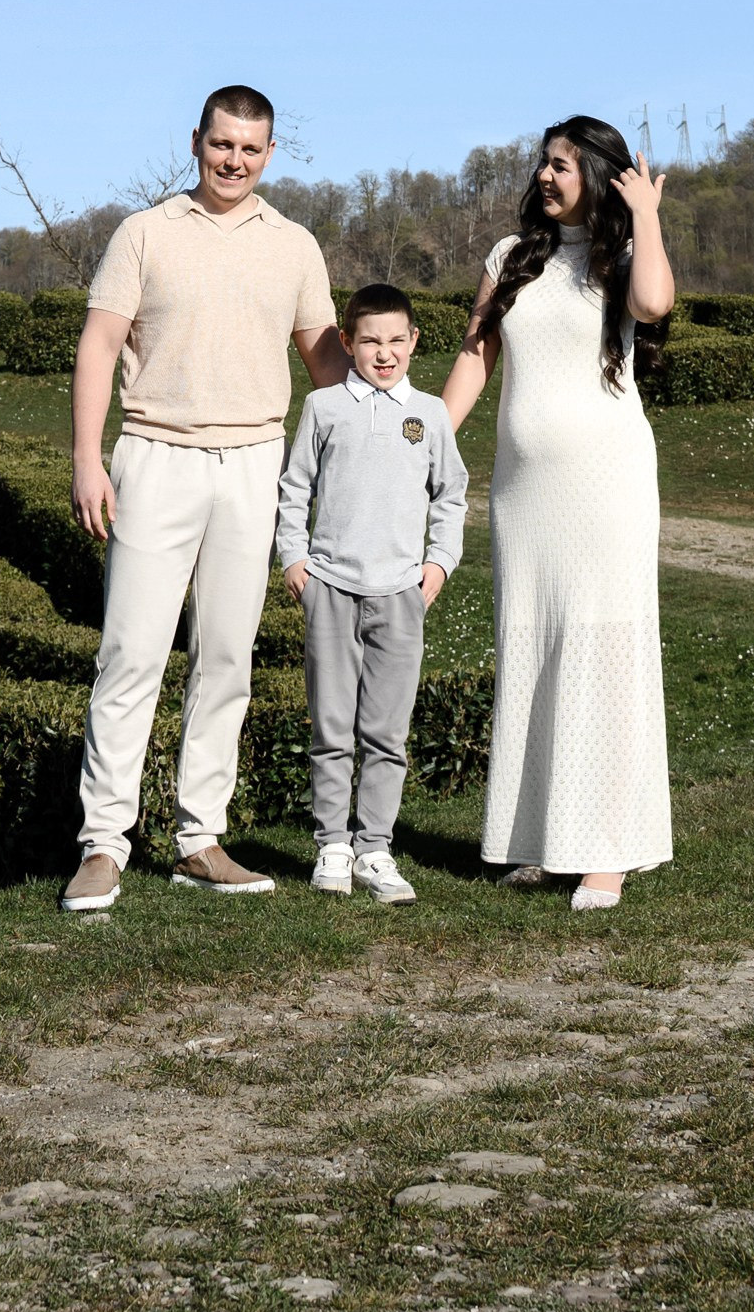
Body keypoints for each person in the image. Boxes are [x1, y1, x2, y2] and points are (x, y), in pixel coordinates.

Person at [62, 85, 346, 913]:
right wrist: (89, 458)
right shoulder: (143, 233)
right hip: (155, 456)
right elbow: (99, 343)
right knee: (131, 655)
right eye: (223, 145)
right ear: (197, 141)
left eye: (251, 150)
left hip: (254, 461)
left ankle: (199, 839)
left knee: (226, 657)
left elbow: (325, 361)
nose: (235, 161)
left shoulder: (294, 245)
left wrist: (380, 434)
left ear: (269, 154)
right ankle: (103, 845)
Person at [441, 115, 675, 910]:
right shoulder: (510, 259)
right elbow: (477, 353)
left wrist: (645, 212)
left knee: (601, 652)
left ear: (600, 177)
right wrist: (431, 440)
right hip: (522, 494)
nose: (546, 176)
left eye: (565, 165)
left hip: (606, 488)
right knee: (535, 649)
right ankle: (545, 837)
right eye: (544, 163)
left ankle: (607, 850)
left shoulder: (621, 258)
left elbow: (655, 304)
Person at [275, 281, 468, 904]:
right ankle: (332, 842)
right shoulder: (324, 408)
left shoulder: (431, 414)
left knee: (387, 733)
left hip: (400, 594)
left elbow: (451, 496)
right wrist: (295, 560)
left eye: (395, 341)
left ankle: (375, 849)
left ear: (414, 342)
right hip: (330, 585)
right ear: (347, 343)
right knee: (332, 727)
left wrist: (436, 566)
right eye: (369, 341)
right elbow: (294, 487)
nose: (383, 354)